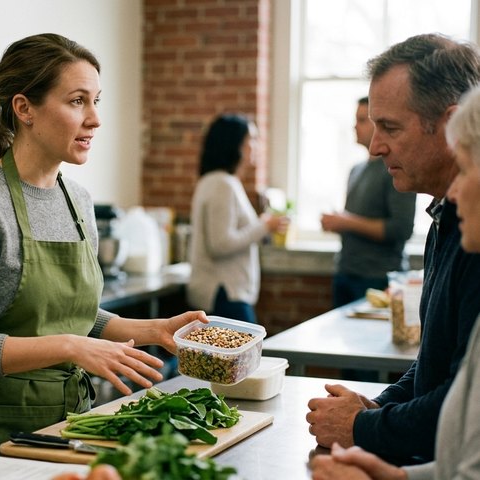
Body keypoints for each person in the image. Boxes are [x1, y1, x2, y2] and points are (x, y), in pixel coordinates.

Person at [0, 33, 208, 468]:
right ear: (24, 109)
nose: (95, 119)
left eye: (96, 100)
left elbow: (67, 315)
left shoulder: (77, 200)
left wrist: (153, 329)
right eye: (78, 101)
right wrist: (72, 347)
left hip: (63, 431)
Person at [306, 33, 480, 465]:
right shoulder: (445, 216)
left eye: (390, 127)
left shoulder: (473, 231)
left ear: (450, 126)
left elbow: (460, 409)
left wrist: (361, 425)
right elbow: (434, 368)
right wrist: (375, 408)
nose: (374, 145)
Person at [186, 114, 289, 324]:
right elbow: (220, 244)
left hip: (227, 293)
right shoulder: (222, 184)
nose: (257, 146)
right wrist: (264, 225)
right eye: (251, 139)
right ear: (234, 144)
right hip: (224, 294)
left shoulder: (218, 181)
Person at [321, 96, 417, 308]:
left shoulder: (396, 171)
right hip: (346, 272)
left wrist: (346, 222)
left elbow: (401, 229)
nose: (355, 126)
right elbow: (356, 221)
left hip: (378, 278)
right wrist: (337, 223)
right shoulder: (356, 170)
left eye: (362, 120)